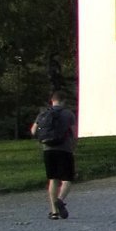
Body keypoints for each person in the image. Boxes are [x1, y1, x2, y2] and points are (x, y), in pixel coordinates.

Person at [31, 90, 78, 220]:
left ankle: (54, 212)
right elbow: (74, 133)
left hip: (48, 149)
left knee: (53, 179)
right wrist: (74, 146)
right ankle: (60, 200)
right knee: (67, 179)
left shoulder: (43, 114)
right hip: (64, 149)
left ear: (52, 101)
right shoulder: (68, 114)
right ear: (63, 101)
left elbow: (33, 130)